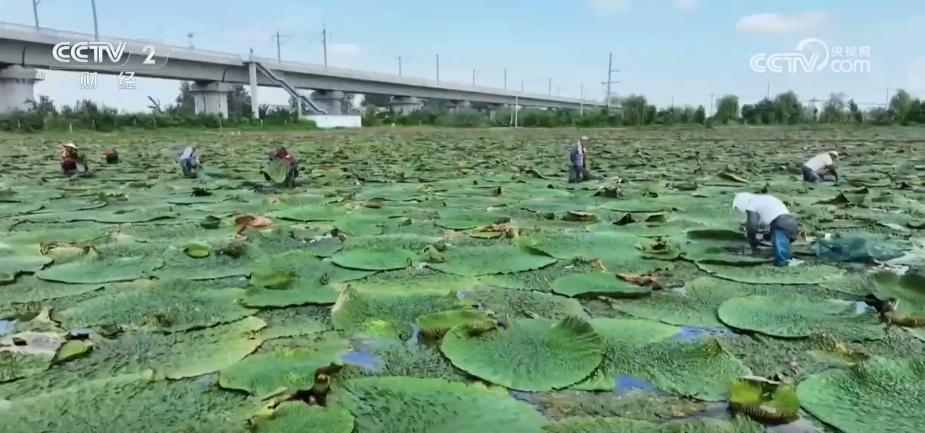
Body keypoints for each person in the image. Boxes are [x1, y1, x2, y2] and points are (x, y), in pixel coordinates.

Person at [733, 192, 799, 267]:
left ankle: (783, 265)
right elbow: (768, 216)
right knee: (779, 243)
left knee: (780, 251)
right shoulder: (764, 199)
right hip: (791, 221)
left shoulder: (751, 204)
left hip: (780, 223)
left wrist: (752, 238)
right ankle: (786, 260)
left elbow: (753, 225)